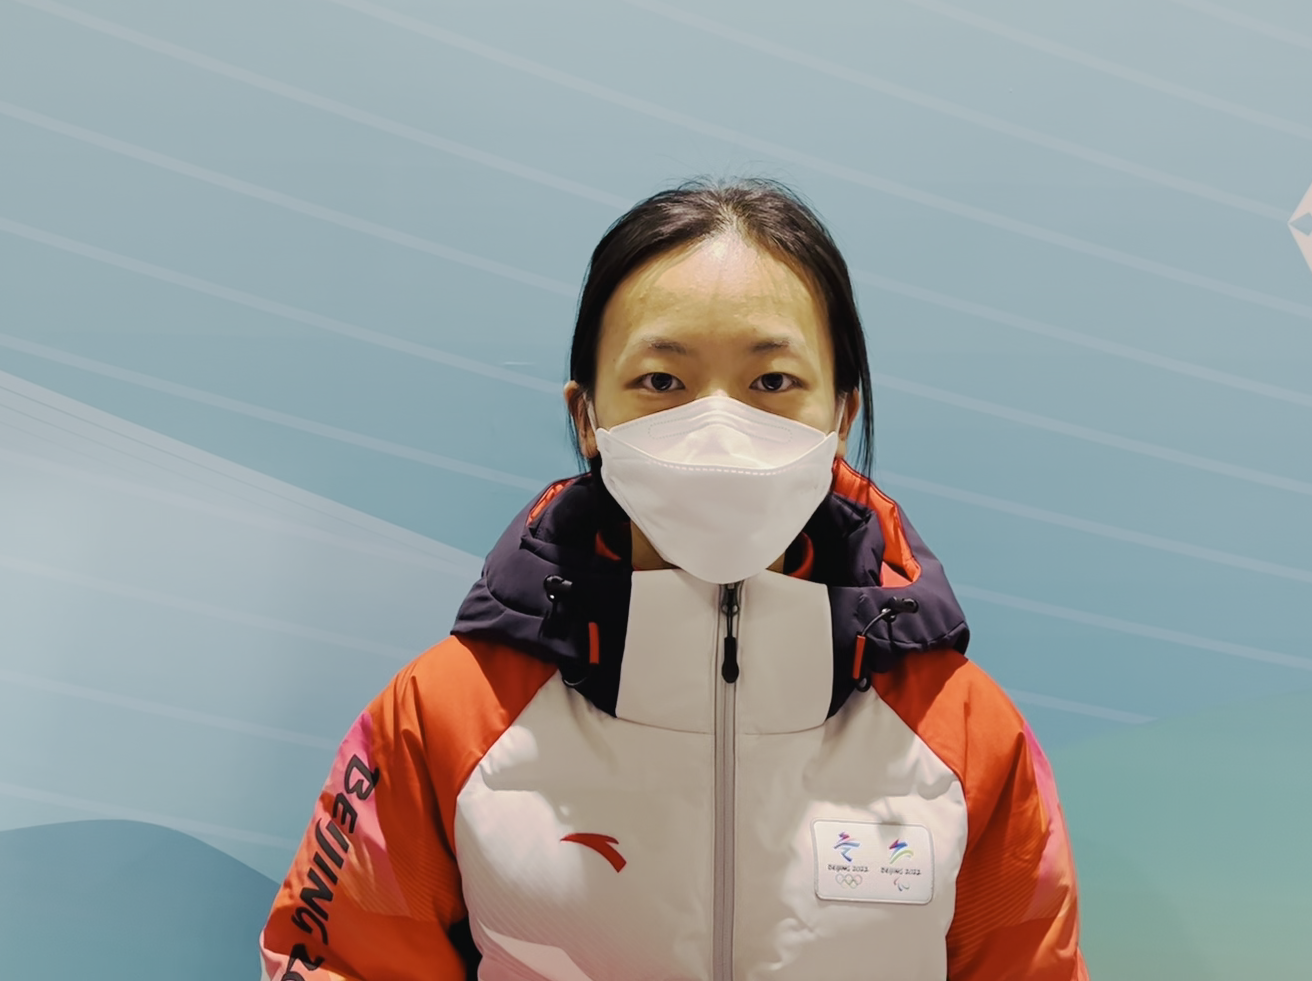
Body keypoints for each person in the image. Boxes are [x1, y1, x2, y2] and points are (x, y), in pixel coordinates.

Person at [259, 180, 1087, 979]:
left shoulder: (966, 734)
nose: (719, 427)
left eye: (773, 381)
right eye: (662, 381)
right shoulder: (444, 716)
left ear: (842, 414)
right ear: (588, 416)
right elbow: (341, 964)